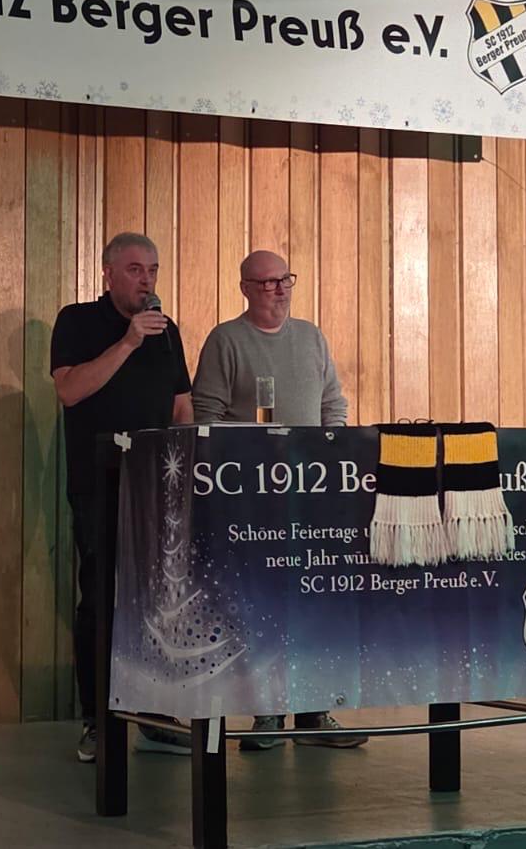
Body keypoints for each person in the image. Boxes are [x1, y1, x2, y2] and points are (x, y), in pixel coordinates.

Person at [191, 249, 366, 750]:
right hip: (253, 498)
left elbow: (333, 402)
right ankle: (266, 714)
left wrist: (331, 449)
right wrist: (248, 455)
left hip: (311, 494)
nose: (279, 289)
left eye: (285, 279)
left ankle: (314, 712)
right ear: (245, 288)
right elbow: (207, 416)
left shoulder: (311, 337)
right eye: (267, 282)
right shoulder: (226, 340)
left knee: (313, 601)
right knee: (260, 604)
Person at [51, 232, 195, 763]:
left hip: (159, 483)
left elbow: (181, 406)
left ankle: (154, 715)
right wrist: (129, 342)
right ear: (108, 273)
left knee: (160, 601)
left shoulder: (166, 330)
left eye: (152, 270)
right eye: (135, 270)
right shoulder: (77, 322)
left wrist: (189, 468)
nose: (146, 280)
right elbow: (70, 391)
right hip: (101, 484)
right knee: (102, 600)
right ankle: (98, 719)